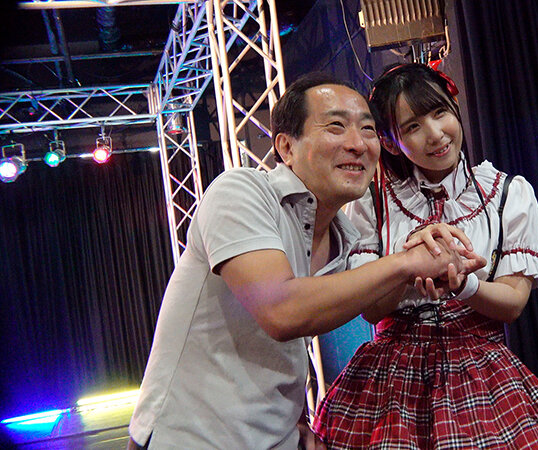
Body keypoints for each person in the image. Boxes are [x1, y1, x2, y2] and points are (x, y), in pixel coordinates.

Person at [127, 72, 484, 449]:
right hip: (190, 439)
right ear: (286, 147)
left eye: (367, 129)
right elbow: (283, 312)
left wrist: (294, 420)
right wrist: (405, 263)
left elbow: (294, 339)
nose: (357, 144)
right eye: (336, 126)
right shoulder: (241, 192)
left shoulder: (344, 237)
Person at [313, 63, 538, 449]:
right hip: (391, 379)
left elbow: (513, 303)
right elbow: (371, 310)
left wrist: (464, 284)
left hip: (482, 373)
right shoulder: (372, 201)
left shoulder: (507, 194)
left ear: (455, 108)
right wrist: (408, 265)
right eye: (413, 126)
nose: (436, 134)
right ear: (391, 143)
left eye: (440, 113)